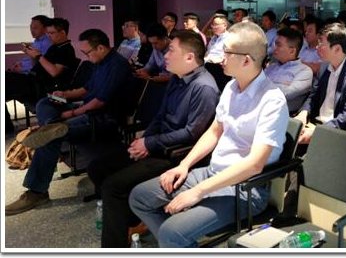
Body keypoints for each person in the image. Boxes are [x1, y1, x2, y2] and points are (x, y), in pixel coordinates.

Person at [128, 22, 289, 248]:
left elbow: (254, 164)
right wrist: (184, 165)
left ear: (246, 60)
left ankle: (174, 240)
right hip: (212, 172)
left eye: (227, 52)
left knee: (171, 233)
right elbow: (214, 131)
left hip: (244, 188)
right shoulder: (232, 87)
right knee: (139, 197)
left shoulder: (272, 100)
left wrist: (198, 191)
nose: (221, 58)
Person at [88, 30, 220, 247]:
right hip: (158, 143)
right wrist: (144, 140)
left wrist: (149, 143)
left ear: (189, 57)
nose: (165, 55)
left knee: (113, 186)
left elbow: (192, 133)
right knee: (97, 168)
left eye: (171, 51)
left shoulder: (204, 87)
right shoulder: (177, 78)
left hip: (177, 152)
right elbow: (160, 116)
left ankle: (115, 245)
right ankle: (130, 220)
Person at [5, 29, 131, 216]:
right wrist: (64, 94)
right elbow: (86, 89)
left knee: (50, 138)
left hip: (102, 118)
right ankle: (52, 125)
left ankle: (37, 192)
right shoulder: (100, 62)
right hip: (86, 108)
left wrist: (71, 113)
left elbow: (99, 102)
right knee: (45, 103)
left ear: (101, 48)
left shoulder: (117, 65)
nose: (86, 56)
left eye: (87, 52)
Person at [295, 23, 346, 147]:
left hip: (340, 131)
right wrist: (303, 113)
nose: (317, 47)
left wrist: (319, 131)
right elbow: (313, 97)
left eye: (321, 43)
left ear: (337, 49)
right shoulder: (324, 67)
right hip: (316, 124)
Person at [5, 17, 77, 109]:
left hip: (40, 87)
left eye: (52, 33)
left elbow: (54, 72)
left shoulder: (66, 49)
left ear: (63, 33)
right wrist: (34, 56)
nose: (49, 36)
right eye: (48, 33)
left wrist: (38, 56)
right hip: (33, 81)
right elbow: (40, 65)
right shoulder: (55, 47)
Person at [265, 28, 313, 114]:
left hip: (283, 115)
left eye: (278, 45)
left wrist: (263, 87)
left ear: (292, 51)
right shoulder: (271, 68)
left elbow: (285, 93)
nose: (274, 47)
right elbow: (254, 86)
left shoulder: (304, 71)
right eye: (275, 44)